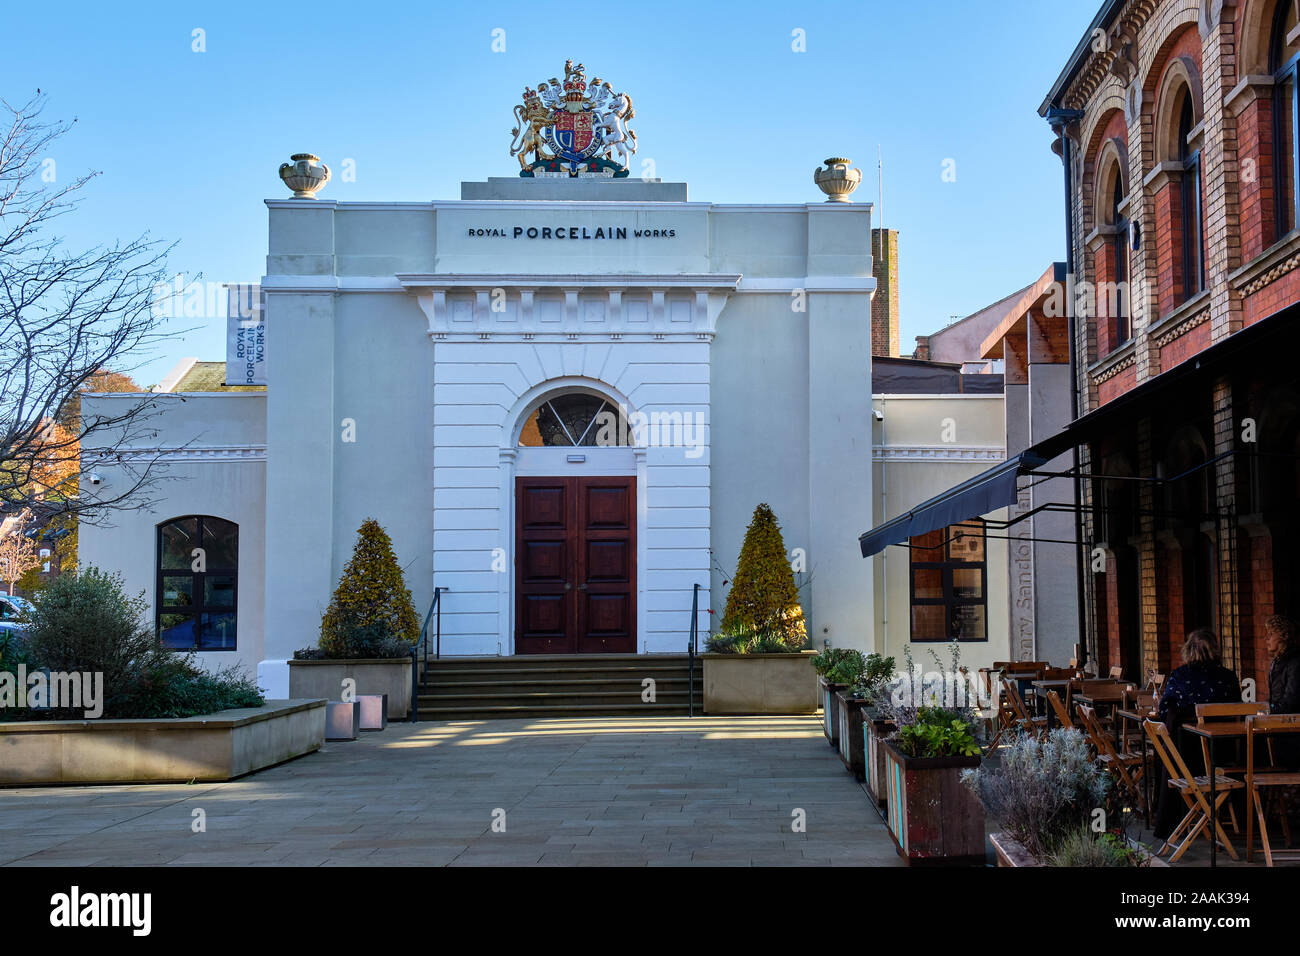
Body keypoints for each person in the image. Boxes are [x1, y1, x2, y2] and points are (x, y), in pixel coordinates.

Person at [1152, 629, 1241, 840]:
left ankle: (1178, 817)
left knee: (1162, 752)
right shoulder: (1227, 677)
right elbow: (1238, 710)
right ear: (1215, 651)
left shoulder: (1179, 676)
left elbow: (1164, 713)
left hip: (1182, 757)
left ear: (1188, 650)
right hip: (1221, 752)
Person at [1265, 614, 1300, 769]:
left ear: (1284, 636)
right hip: (1278, 726)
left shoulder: (1296, 662)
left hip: (1292, 730)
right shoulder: (1276, 662)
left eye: (1271, 634)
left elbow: (1291, 701)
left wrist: (1267, 712)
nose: (1267, 638)